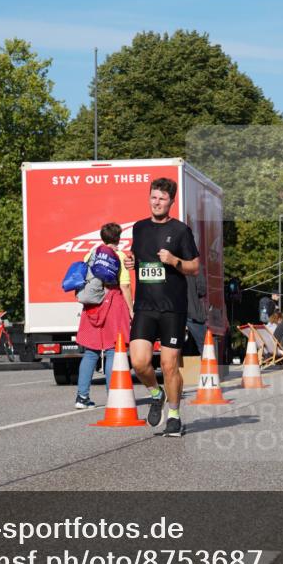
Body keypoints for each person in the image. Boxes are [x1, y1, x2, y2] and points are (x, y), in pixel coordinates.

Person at [123, 178, 200, 436]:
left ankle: (175, 415)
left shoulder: (180, 231)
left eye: (162, 199)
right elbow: (141, 258)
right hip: (145, 305)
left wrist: (175, 260)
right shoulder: (139, 228)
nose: (157, 202)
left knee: (169, 365)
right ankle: (157, 393)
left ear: (171, 202)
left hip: (172, 308)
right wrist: (132, 262)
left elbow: (194, 267)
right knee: (139, 362)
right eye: (153, 197)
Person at [74, 223, 133, 409]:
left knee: (90, 352)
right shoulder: (120, 256)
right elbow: (124, 285)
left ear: (102, 237)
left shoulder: (90, 254)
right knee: (111, 352)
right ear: (119, 237)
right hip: (113, 304)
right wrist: (131, 310)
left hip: (92, 306)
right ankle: (113, 396)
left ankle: (82, 397)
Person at [185, 264, 208, 355]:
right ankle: (208, 368)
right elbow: (202, 290)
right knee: (205, 347)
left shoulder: (166, 262)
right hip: (192, 312)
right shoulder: (194, 264)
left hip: (172, 314)